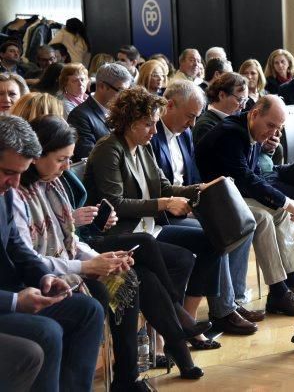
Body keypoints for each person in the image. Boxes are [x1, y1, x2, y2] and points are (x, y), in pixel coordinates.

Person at [19, 114, 206, 381]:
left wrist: (100, 259)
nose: (66, 166)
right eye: (61, 159)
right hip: (52, 272)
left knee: (137, 276)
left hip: (80, 253)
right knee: (141, 256)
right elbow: (33, 253)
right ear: (36, 155)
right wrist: (91, 262)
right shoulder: (107, 150)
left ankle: (130, 375)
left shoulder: (53, 182)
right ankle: (169, 336)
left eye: (69, 159)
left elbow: (69, 239)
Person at [83, 86, 225, 338]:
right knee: (182, 260)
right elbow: (115, 203)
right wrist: (164, 203)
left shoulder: (144, 146)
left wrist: (202, 188)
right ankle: (172, 325)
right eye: (148, 124)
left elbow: (165, 187)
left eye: (155, 123)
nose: (154, 131)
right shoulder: (109, 148)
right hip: (121, 233)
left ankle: (184, 319)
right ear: (128, 121)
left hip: (147, 229)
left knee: (213, 240)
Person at [0, 115, 105, 392]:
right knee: (47, 332)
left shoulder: (6, 192)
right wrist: (13, 301)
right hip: (5, 299)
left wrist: (44, 276)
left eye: (20, 173)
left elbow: (17, 248)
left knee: (88, 309)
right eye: (8, 172)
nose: (14, 182)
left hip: (11, 291)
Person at [150, 81, 262, 335]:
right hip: (164, 213)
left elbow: (191, 176)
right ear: (169, 105)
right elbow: (155, 188)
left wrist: (203, 195)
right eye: (190, 116)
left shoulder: (186, 133)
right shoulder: (150, 135)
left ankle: (230, 301)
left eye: (195, 117)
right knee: (217, 233)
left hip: (187, 203)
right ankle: (221, 311)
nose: (192, 123)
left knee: (240, 224)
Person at [195, 95, 294, 316]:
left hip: (232, 195)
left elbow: (251, 177)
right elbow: (246, 179)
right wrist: (286, 201)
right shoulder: (231, 134)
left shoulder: (251, 130)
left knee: (280, 213)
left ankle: (292, 281)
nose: (273, 133)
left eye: (278, 128)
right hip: (210, 199)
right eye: (271, 125)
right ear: (255, 114)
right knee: (265, 217)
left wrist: (282, 204)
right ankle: (278, 290)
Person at [68, 62, 132, 160]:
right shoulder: (79, 116)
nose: (125, 97)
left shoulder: (122, 110)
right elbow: (89, 157)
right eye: (121, 91)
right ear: (102, 86)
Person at [194, 72, 248, 146]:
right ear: (222, 95)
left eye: (245, 101)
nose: (243, 107)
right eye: (240, 100)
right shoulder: (205, 126)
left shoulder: (234, 121)